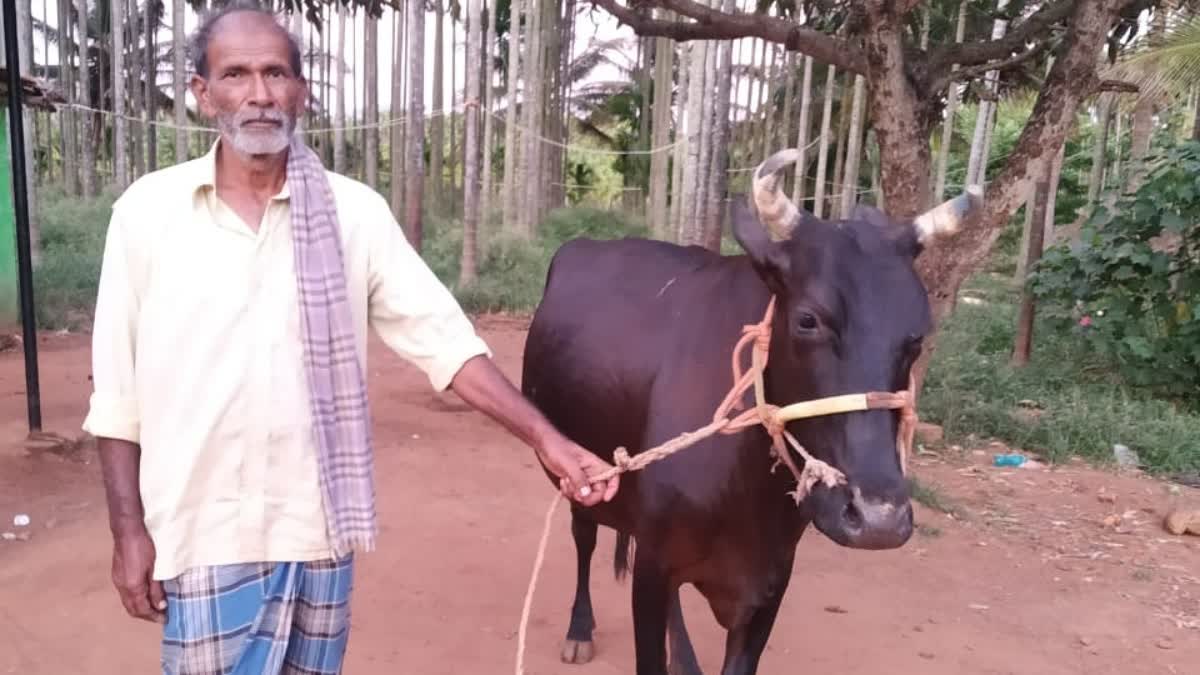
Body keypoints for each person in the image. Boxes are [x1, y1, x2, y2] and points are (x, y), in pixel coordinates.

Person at [81, 3, 618, 673]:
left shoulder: (353, 214)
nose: (258, 94)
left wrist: (551, 440)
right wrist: (128, 530)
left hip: (315, 531)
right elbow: (118, 396)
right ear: (202, 92)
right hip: (201, 534)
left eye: (276, 73)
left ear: (301, 93)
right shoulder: (147, 216)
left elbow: (443, 342)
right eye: (236, 74)